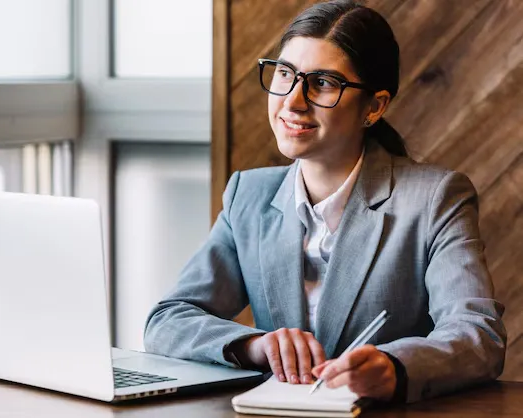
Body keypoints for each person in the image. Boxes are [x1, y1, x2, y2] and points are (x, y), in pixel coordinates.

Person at [144, 0, 506, 403]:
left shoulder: (435, 198)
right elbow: (168, 320)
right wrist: (257, 347)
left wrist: (394, 367)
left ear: (375, 106)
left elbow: (478, 334)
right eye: (285, 74)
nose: (293, 101)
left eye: (323, 83)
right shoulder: (247, 194)